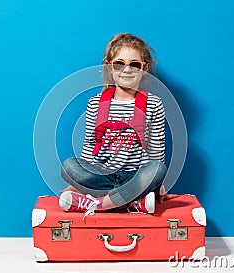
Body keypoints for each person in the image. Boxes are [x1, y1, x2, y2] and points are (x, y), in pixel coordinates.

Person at [59, 33, 177, 219]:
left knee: (158, 169)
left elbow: (156, 150)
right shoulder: (95, 103)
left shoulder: (153, 104)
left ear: (144, 68)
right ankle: (133, 202)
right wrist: (79, 182)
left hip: (135, 177)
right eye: (119, 63)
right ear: (110, 67)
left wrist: (158, 183)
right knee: (68, 166)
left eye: (134, 64)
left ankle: (98, 204)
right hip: (103, 176)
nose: (127, 70)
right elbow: (90, 147)